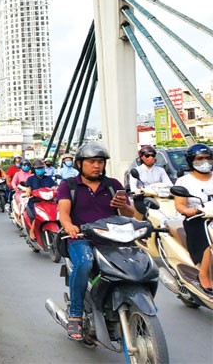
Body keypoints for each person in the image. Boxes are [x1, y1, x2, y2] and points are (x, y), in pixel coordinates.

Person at [57, 142, 141, 341]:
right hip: (81, 239)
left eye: (100, 162)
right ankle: (75, 315)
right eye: (92, 161)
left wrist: (125, 207)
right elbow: (64, 213)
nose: (97, 166)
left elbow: (131, 214)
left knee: (137, 264)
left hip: (112, 238)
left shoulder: (113, 185)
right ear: (79, 164)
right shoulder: (69, 186)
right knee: (85, 263)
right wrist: (70, 227)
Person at [173, 143, 213, 292]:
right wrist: (189, 211)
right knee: (211, 243)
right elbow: (180, 205)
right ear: (191, 161)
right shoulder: (184, 182)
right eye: (200, 158)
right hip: (197, 220)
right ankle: (204, 275)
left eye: (208, 158)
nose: (205, 162)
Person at [22, 159, 57, 241]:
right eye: (38, 168)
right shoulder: (30, 179)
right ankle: (32, 231)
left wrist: (55, 190)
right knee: (36, 216)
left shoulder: (49, 178)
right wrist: (28, 192)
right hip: (35, 201)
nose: (40, 170)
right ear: (34, 169)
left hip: (48, 201)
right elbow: (28, 188)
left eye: (41, 168)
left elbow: (54, 187)